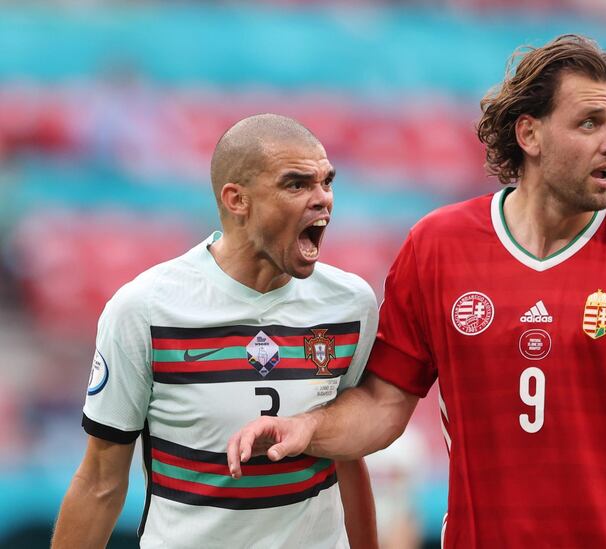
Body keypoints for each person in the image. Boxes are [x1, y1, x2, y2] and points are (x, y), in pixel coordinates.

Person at [227, 35, 606, 548]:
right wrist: (308, 429)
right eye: (590, 122)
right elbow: (385, 405)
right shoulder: (436, 248)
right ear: (530, 134)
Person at [52, 114, 379, 549]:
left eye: (326, 182)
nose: (323, 199)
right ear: (236, 200)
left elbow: (347, 454)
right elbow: (100, 482)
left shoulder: (350, 304)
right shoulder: (146, 309)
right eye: (296, 184)